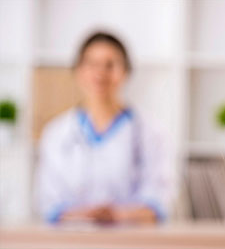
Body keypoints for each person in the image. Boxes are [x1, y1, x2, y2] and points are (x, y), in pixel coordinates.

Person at [35, 32, 171, 225]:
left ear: (126, 72)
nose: (100, 73)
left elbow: (158, 202)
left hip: (132, 242)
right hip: (72, 241)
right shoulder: (56, 134)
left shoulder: (151, 132)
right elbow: (49, 204)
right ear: (78, 71)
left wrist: (116, 216)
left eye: (110, 65)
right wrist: (88, 215)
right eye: (91, 64)